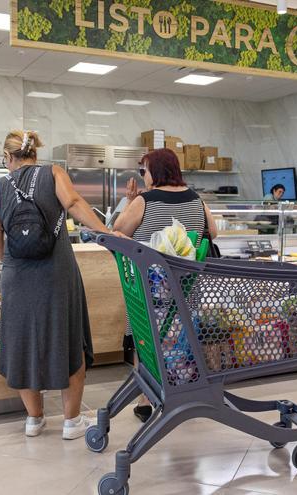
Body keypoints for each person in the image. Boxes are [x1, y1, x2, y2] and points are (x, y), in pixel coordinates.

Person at [0, 130, 115, 440]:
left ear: (7, 157)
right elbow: (73, 202)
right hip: (57, 273)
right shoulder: (53, 172)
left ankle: (34, 419)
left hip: (18, 277)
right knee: (68, 339)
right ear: (35, 153)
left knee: (22, 344)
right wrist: (105, 232)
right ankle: (70, 422)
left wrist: (11, 263)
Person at [113, 148, 217, 422]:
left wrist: (129, 201)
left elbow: (117, 232)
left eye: (144, 171)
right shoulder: (197, 200)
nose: (143, 176)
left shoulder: (144, 201)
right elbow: (214, 232)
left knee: (146, 340)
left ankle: (146, 400)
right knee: (183, 342)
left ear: (155, 172)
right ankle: (181, 392)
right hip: (186, 290)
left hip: (151, 290)